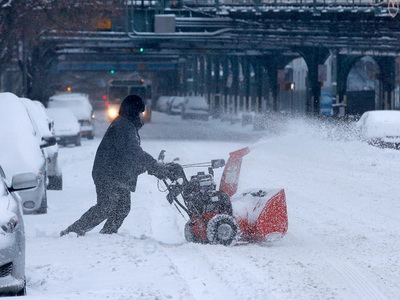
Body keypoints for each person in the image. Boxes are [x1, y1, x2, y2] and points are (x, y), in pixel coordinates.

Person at [60, 95, 168, 236]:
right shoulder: (123, 126)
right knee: (106, 207)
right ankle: (73, 231)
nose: (141, 116)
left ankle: (108, 233)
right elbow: (134, 152)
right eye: (139, 113)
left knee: (122, 207)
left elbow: (128, 157)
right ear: (133, 112)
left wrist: (151, 167)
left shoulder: (126, 125)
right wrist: (153, 165)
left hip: (115, 174)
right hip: (108, 174)